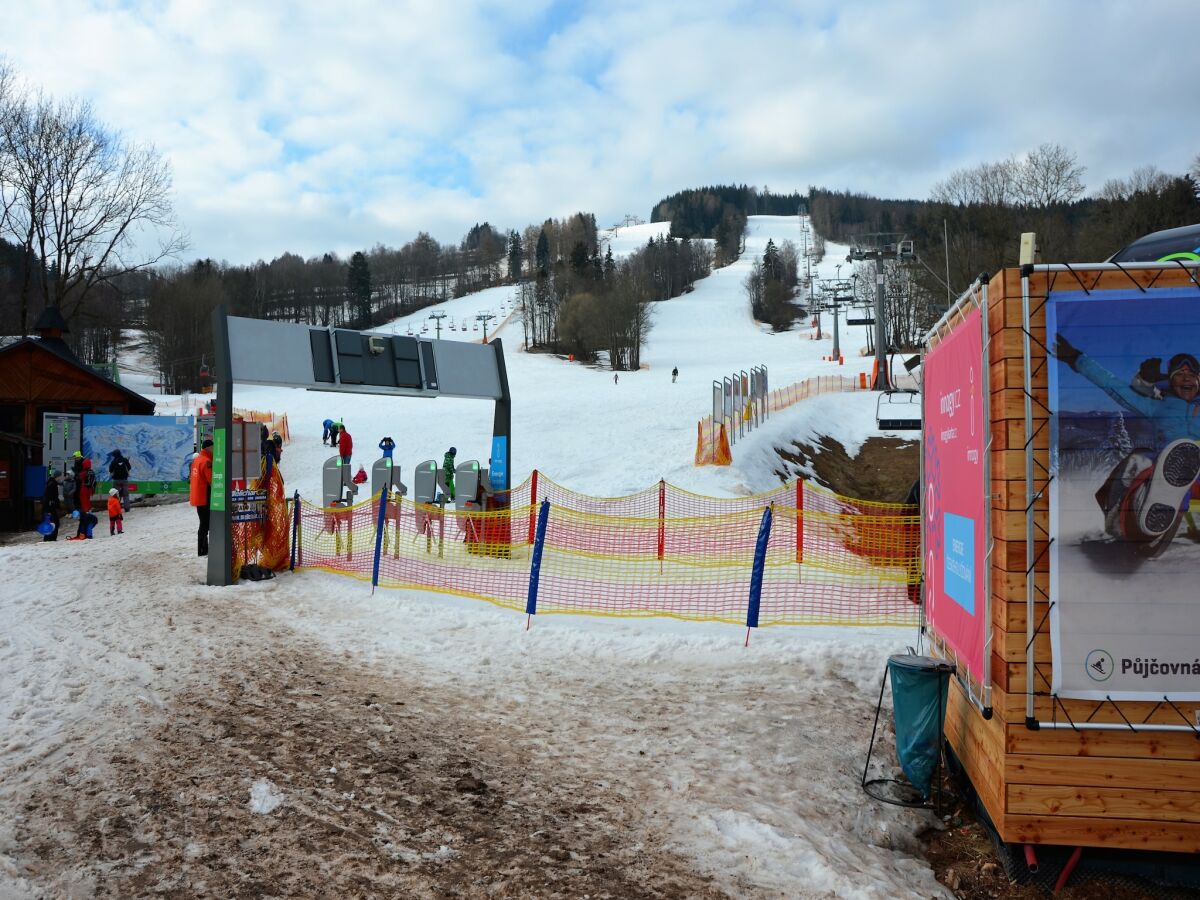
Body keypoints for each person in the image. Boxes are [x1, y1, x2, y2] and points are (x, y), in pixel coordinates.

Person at [1055, 337, 1200, 549]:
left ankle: (1158, 508)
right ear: (1171, 382)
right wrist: (1079, 360)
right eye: (1180, 374)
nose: (1186, 378)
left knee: (1171, 464)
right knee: (1138, 461)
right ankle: (1143, 520)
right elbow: (1116, 387)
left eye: (1192, 375)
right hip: (1164, 471)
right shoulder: (1158, 406)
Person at [190, 438, 214, 557]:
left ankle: (202, 549)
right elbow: (212, 480)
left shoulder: (197, 459)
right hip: (205, 497)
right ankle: (203, 550)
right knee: (205, 524)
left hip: (198, 496)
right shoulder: (206, 461)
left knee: (203, 523)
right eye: (213, 448)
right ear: (209, 448)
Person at [75, 459, 97, 539]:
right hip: (90, 490)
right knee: (87, 503)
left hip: (84, 489)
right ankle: (88, 510)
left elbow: (79, 477)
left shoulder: (84, 473)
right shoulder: (92, 472)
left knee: (84, 508)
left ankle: (84, 533)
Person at [41, 471, 62, 541]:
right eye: (60, 476)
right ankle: (50, 538)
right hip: (50, 508)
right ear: (57, 477)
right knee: (54, 523)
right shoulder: (52, 485)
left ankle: (49, 538)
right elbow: (50, 497)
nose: (61, 477)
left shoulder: (52, 483)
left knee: (53, 522)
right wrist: (51, 506)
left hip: (49, 507)